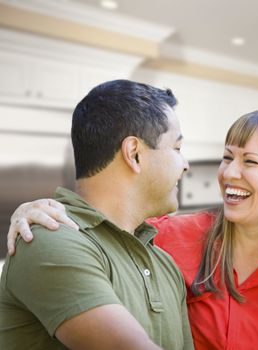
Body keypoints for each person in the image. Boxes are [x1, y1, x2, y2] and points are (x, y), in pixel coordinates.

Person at [7, 110, 258, 349]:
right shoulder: (170, 236)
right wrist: (37, 208)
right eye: (227, 157)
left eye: (250, 161)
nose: (230, 173)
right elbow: (101, 225)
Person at [0, 80, 194, 350]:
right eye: (177, 148)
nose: (185, 164)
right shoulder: (48, 238)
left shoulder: (164, 264)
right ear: (134, 154)